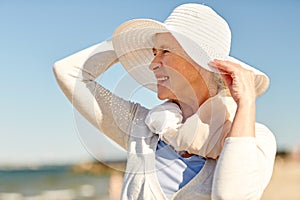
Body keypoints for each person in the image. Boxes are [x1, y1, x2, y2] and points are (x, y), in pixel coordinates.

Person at [53, 3, 276, 200]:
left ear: (202, 62)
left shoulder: (255, 139)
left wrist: (246, 102)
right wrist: (124, 44)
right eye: (153, 52)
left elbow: (231, 195)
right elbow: (67, 72)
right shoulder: (142, 128)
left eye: (165, 51)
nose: (152, 64)